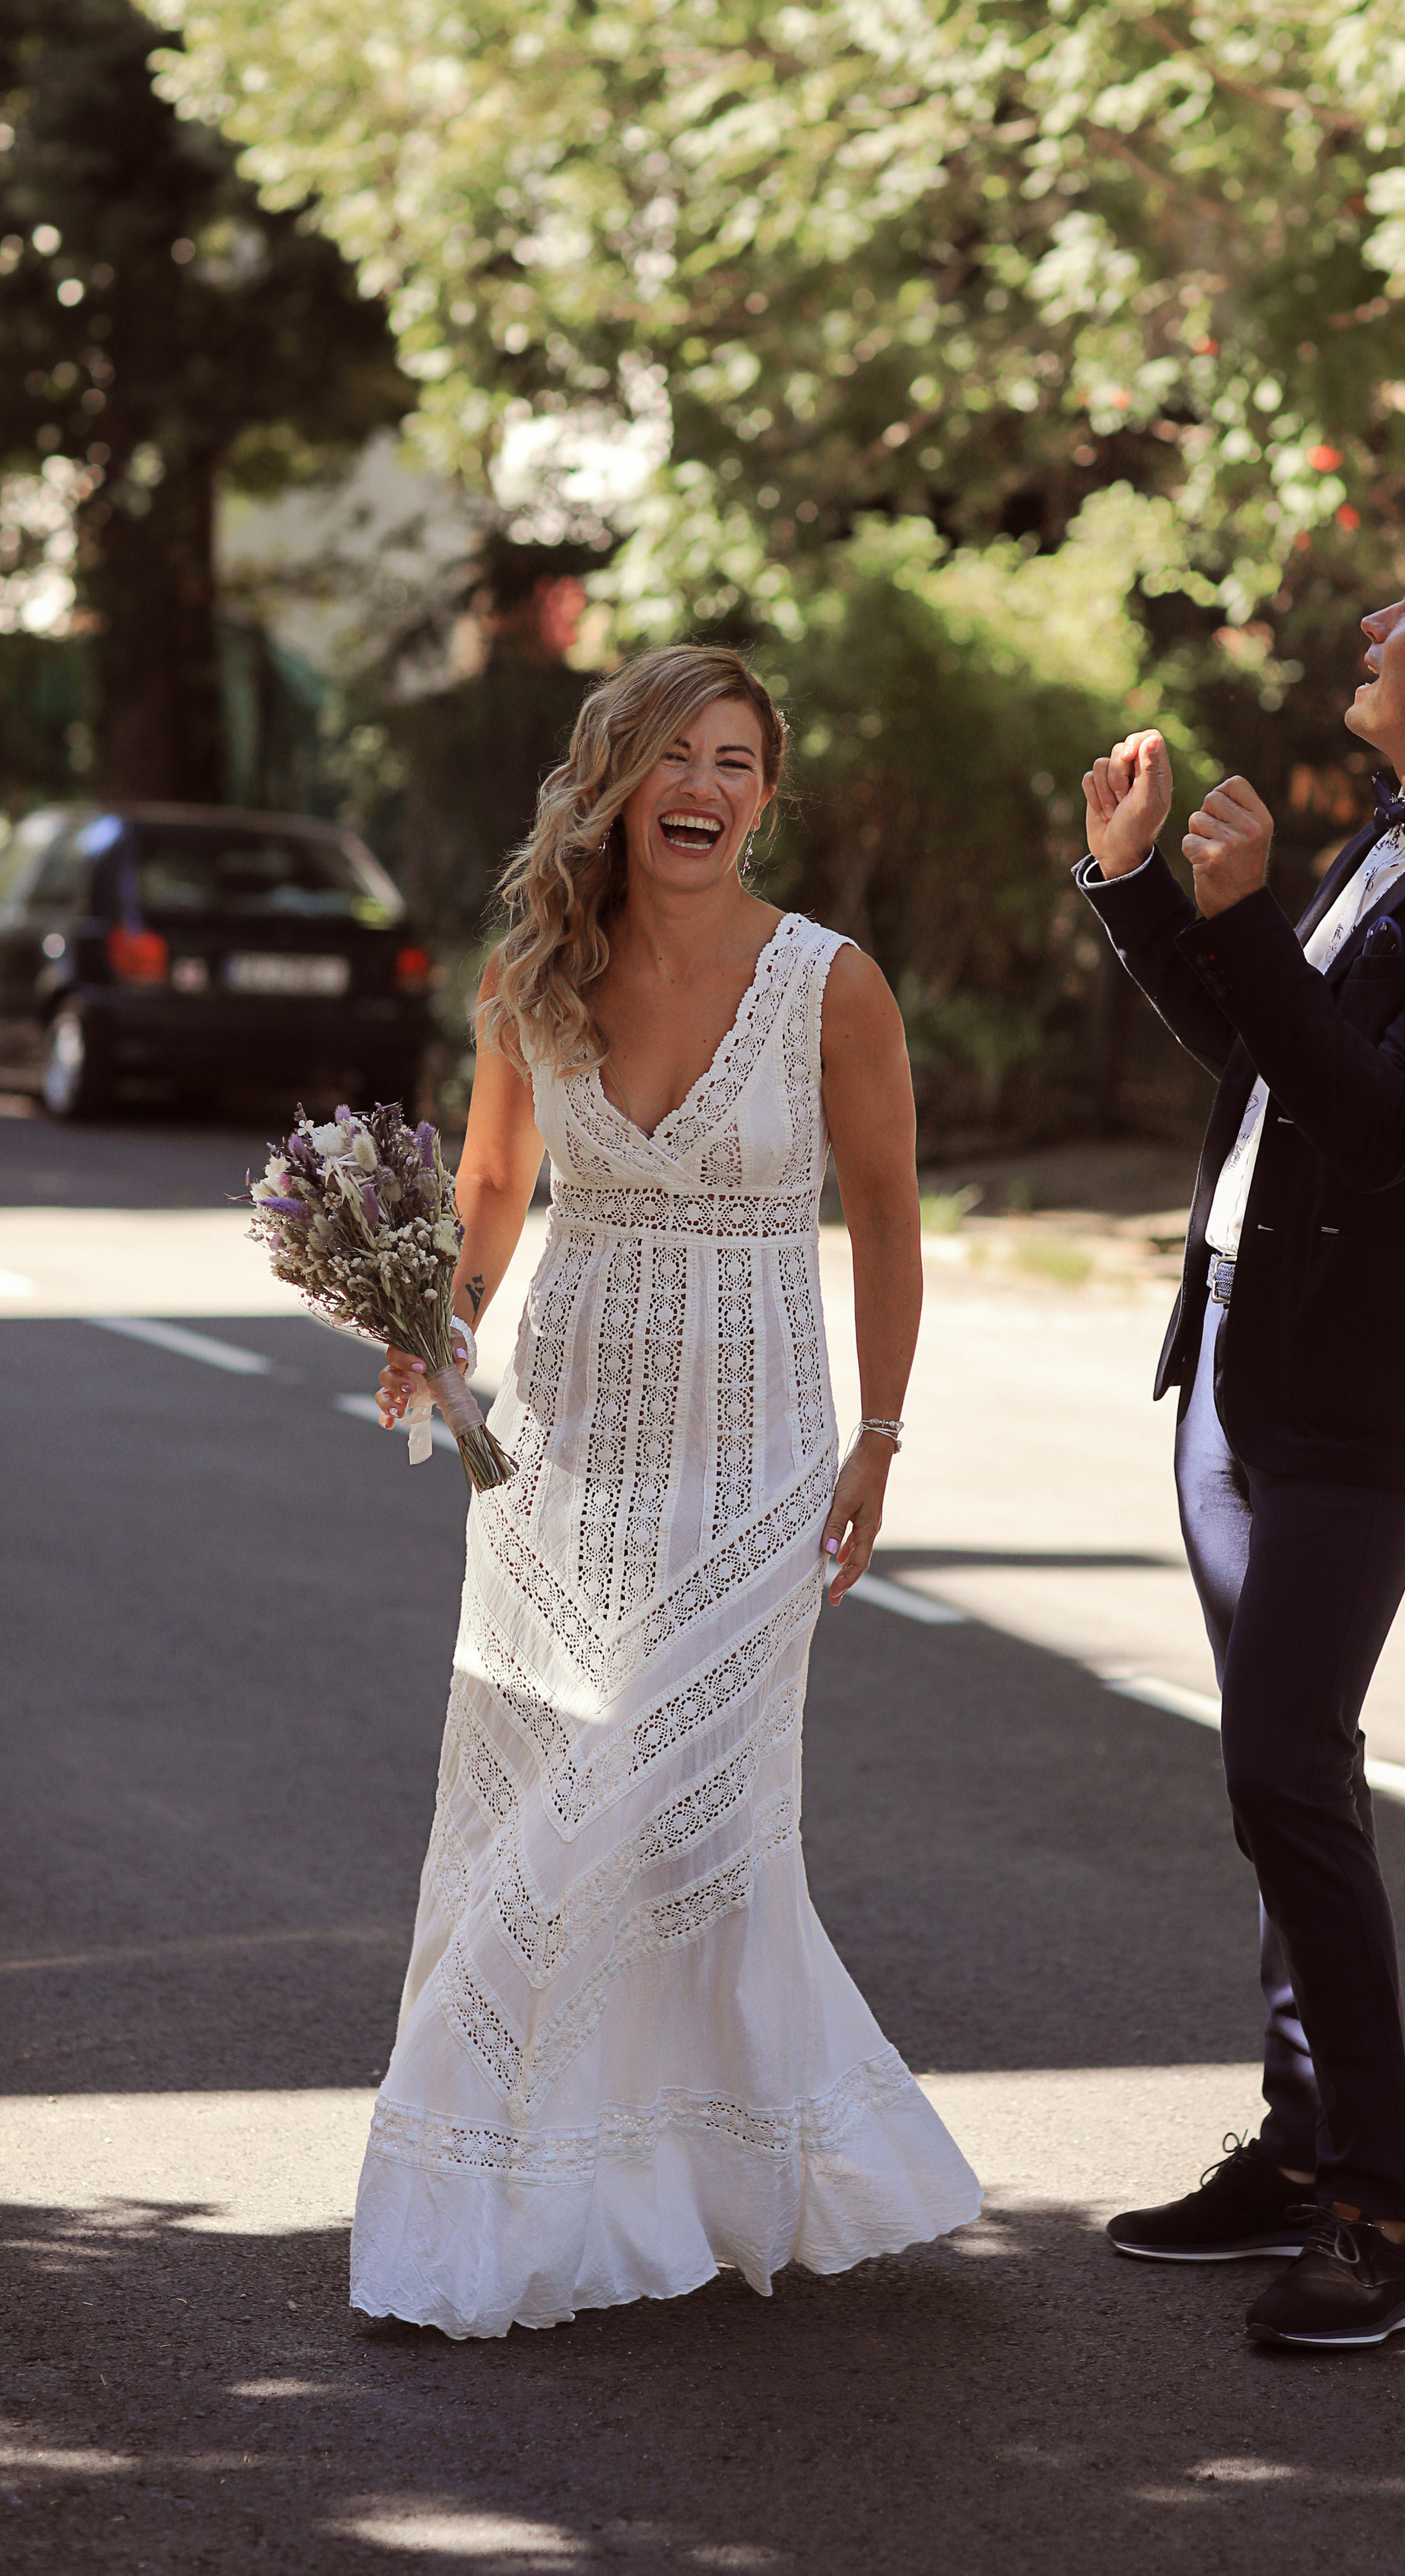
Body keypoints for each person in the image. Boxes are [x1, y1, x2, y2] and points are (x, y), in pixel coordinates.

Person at [351, 644, 981, 2338]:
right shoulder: (531, 969)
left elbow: (889, 1218)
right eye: (673, 758)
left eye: (737, 762)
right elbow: (492, 1179)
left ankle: (611, 2166)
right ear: (614, 781)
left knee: (668, 1803)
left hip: (761, 1458)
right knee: (566, 1779)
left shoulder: (830, 985)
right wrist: (438, 1319)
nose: (704, 788)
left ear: (764, 799)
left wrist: (881, 1438)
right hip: (558, 1453)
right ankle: (606, 2168)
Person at [1076, 507, 1405, 2351]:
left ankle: (1379, 2229)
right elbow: (1261, 1063)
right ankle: (1299, 2154)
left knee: (1284, 1773)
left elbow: (1377, 1119)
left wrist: (1238, 925)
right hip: (1233, 1363)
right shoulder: (1388, 844)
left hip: (1353, 1400)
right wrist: (1146, 890)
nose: (1376, 623)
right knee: (1279, 1770)